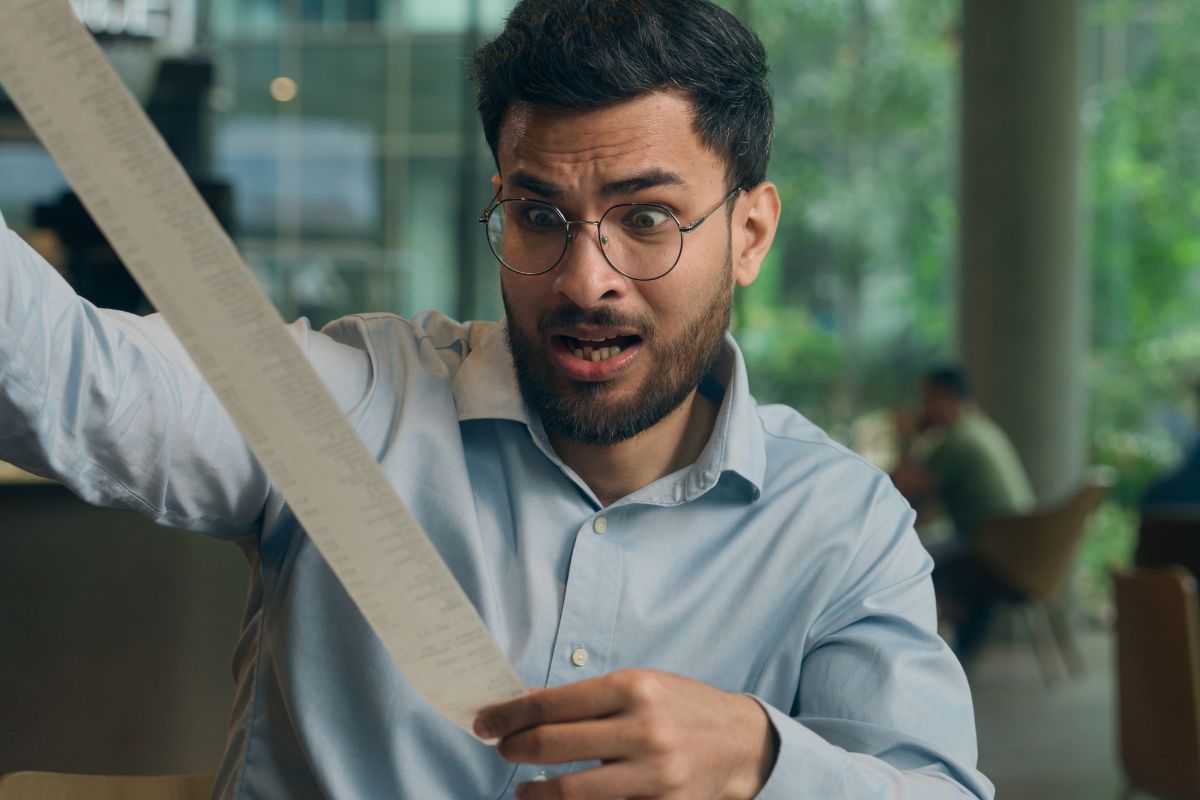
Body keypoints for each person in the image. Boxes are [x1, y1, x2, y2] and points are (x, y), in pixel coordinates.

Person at [0, 2, 993, 798]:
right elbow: (73, 378)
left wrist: (763, 762)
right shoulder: (351, 409)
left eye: (647, 218)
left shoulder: (841, 525)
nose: (585, 277)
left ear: (750, 232)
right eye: (539, 216)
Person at [891, 367, 1034, 662]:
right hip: (1019, 547)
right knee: (926, 546)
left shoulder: (958, 441)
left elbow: (900, 492)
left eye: (926, 399)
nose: (922, 408)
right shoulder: (978, 428)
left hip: (992, 552)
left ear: (943, 398)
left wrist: (906, 438)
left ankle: (916, 658)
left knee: (902, 561)